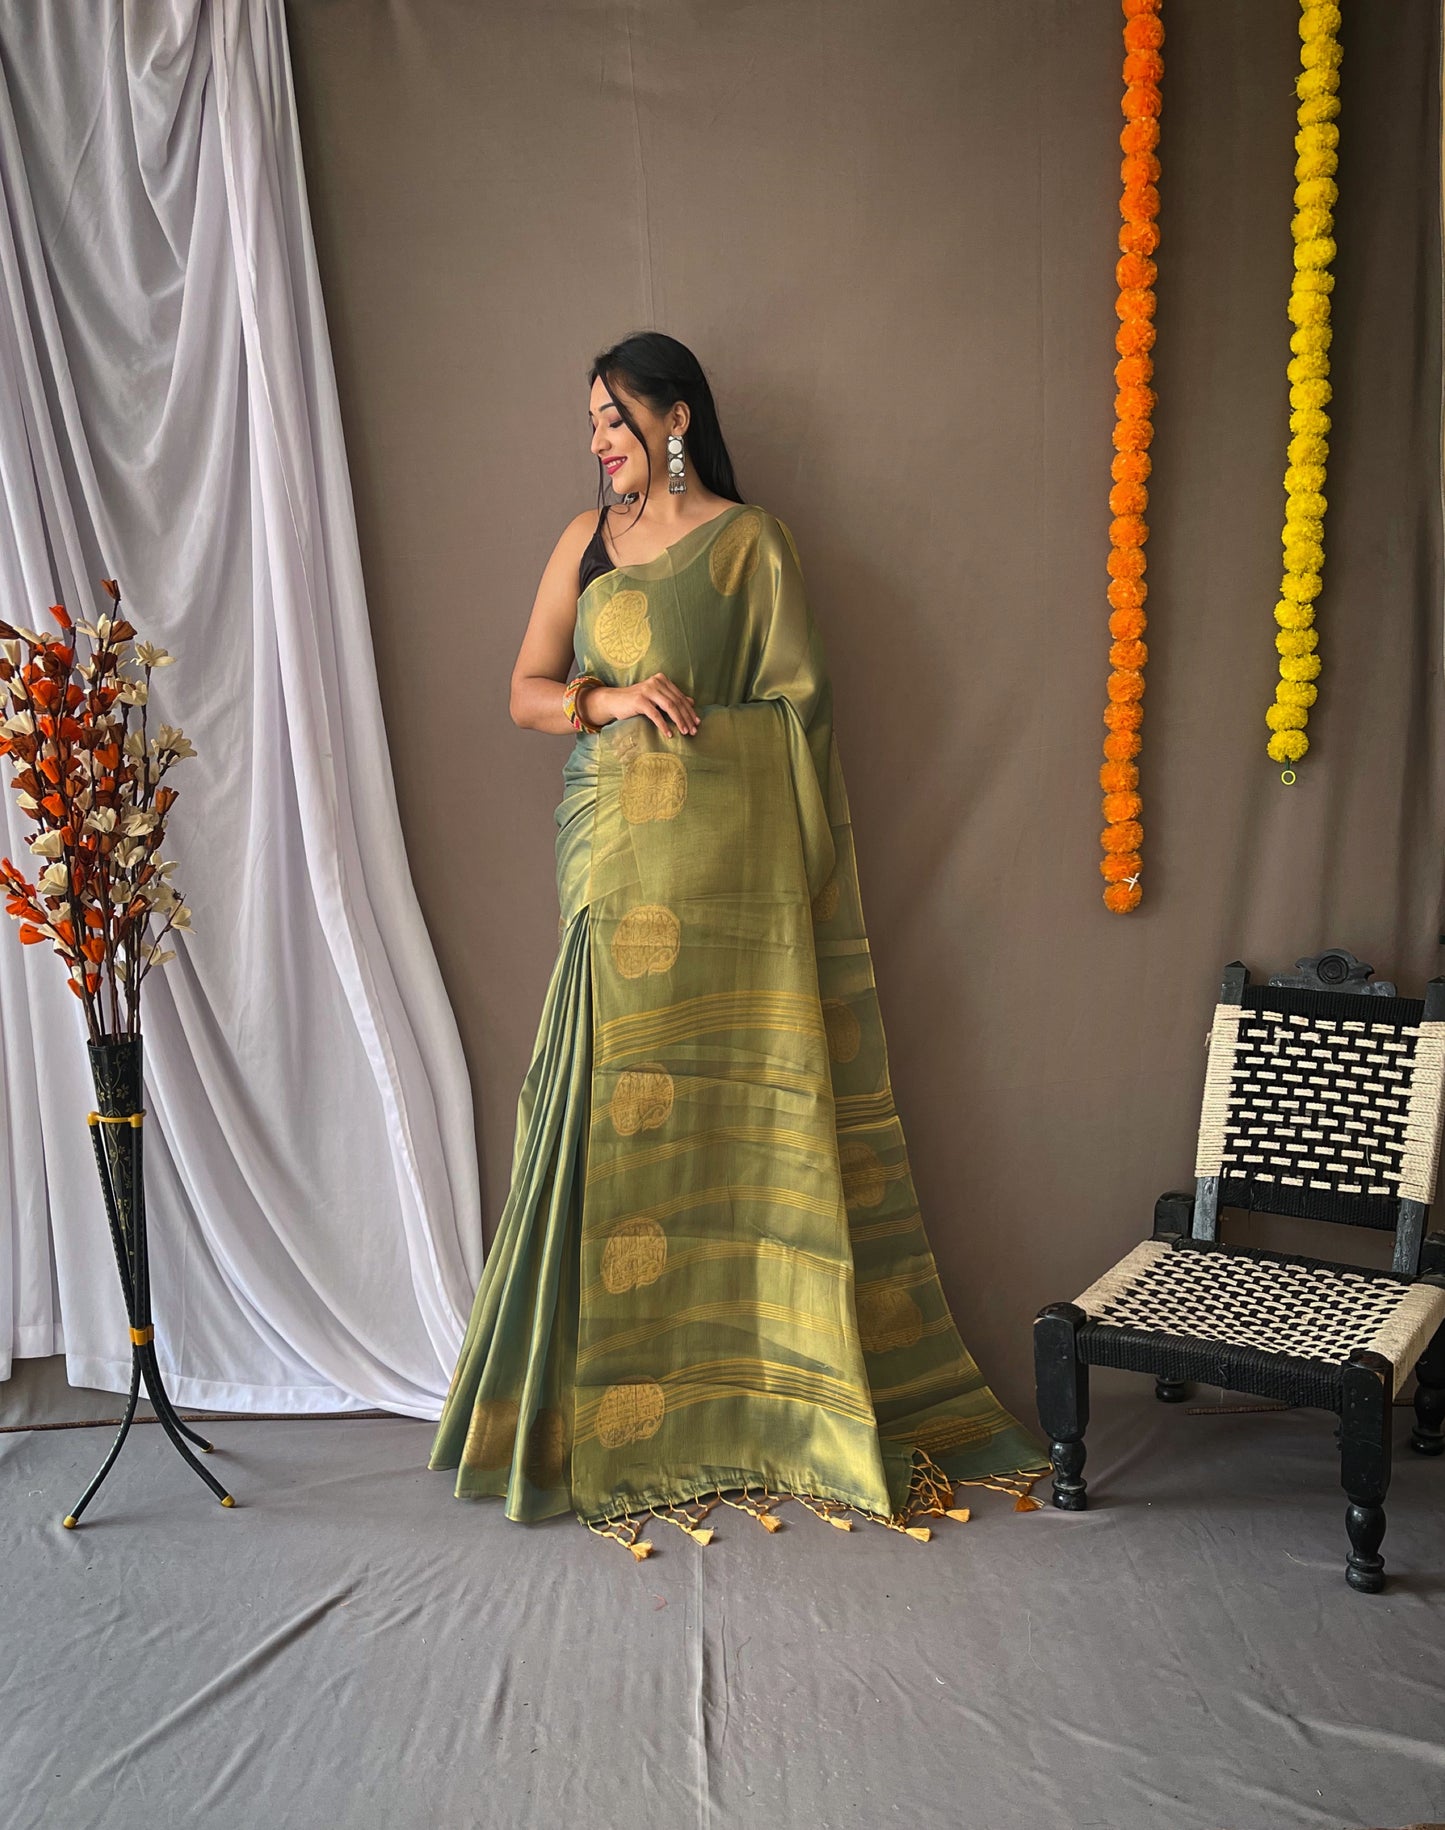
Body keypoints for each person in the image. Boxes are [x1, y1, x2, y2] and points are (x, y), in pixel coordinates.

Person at [429, 331, 1045, 1555]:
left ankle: (764, 1411)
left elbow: (800, 714)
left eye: (612, 417)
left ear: (674, 416)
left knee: (732, 1118)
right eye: (590, 422)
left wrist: (706, 736)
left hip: (731, 883)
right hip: (613, 865)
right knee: (608, 1111)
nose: (596, 440)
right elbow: (525, 689)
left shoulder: (751, 544)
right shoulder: (583, 542)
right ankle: (588, 1417)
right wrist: (610, 701)